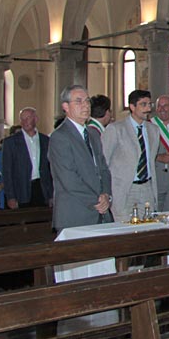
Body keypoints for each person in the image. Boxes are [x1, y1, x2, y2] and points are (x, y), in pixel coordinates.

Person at [49, 85, 113, 230]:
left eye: (87, 101)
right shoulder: (60, 137)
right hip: (76, 213)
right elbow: (68, 178)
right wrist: (97, 200)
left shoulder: (93, 134)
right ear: (65, 107)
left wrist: (106, 195)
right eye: (78, 101)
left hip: (101, 212)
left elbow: (103, 169)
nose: (85, 106)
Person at [102, 90, 160, 222]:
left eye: (149, 104)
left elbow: (151, 160)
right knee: (125, 228)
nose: (148, 109)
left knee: (148, 227)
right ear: (132, 107)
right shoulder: (116, 129)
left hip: (147, 188)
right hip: (125, 189)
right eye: (143, 104)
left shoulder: (154, 130)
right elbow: (104, 161)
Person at [2, 106, 53, 208]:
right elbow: (7, 171)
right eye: (22, 119)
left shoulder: (46, 140)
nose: (25, 121)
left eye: (28, 118)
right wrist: (10, 196)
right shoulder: (11, 142)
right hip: (21, 189)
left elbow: (50, 168)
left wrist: (51, 194)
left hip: (41, 189)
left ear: (36, 119)